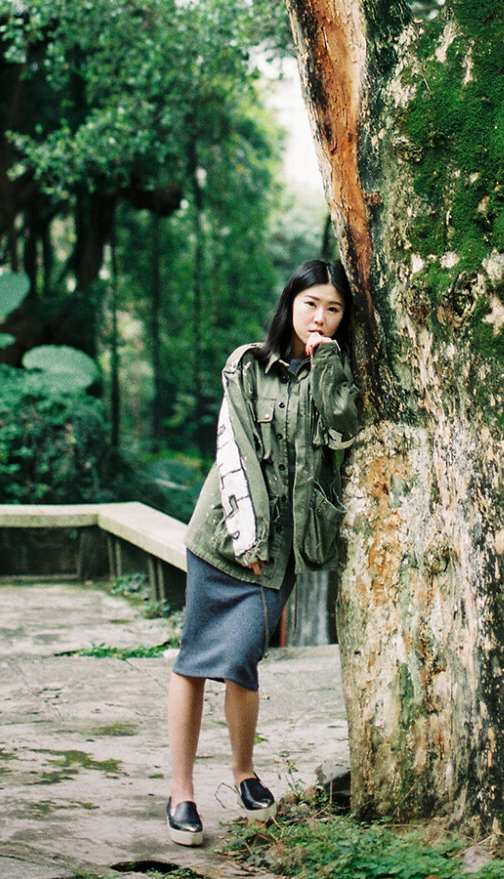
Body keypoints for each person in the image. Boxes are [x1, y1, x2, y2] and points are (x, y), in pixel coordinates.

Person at [165, 258, 359, 847]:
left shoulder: (340, 373)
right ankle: (181, 792)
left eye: (333, 308)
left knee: (244, 658)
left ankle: (243, 771)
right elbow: (237, 454)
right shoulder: (248, 366)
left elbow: (344, 430)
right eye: (310, 304)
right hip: (225, 540)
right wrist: (248, 537)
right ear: (289, 305)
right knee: (197, 660)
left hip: (283, 553)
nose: (320, 317)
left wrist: (326, 363)